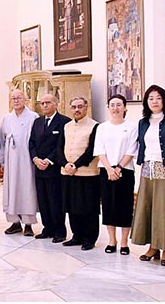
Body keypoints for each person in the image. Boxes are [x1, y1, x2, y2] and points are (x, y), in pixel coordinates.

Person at [132, 86, 165, 266]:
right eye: (151, 98)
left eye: (158, 98)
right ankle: (153, 246)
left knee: (164, 208)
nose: (154, 101)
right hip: (147, 168)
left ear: (164, 100)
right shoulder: (143, 122)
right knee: (148, 207)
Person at [94, 94, 138, 255]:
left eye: (119, 105)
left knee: (125, 206)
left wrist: (118, 168)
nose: (115, 108)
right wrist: (109, 169)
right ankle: (112, 240)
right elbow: (99, 149)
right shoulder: (102, 127)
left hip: (125, 171)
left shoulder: (132, 127)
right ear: (108, 108)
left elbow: (132, 149)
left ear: (125, 107)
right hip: (106, 170)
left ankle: (124, 242)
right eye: (112, 105)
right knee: (108, 206)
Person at [58, 97, 100, 251]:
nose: (76, 110)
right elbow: (59, 148)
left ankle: (90, 238)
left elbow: (92, 150)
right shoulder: (66, 126)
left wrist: (76, 165)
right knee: (71, 206)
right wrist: (65, 164)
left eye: (80, 106)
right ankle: (77, 236)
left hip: (87, 174)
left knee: (88, 207)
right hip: (67, 173)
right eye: (74, 107)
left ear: (86, 108)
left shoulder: (95, 126)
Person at [29, 94, 71, 242]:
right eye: (42, 103)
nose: (45, 105)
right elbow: (32, 143)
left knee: (56, 201)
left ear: (56, 104)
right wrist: (35, 159)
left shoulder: (64, 122)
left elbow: (62, 145)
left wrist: (48, 160)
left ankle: (59, 231)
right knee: (43, 200)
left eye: (48, 102)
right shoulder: (37, 122)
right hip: (39, 168)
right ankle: (47, 228)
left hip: (54, 169)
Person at [0, 89, 39, 236]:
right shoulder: (7, 119)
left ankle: (28, 223)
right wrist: (2, 160)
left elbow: (37, 140)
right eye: (13, 98)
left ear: (25, 99)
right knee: (12, 189)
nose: (16, 101)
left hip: (27, 159)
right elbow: (2, 141)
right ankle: (14, 222)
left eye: (19, 98)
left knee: (27, 189)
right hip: (11, 160)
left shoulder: (33, 117)